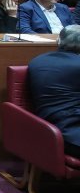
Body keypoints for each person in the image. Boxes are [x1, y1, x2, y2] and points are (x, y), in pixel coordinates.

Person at [26, 25, 80, 158]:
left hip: (49, 128)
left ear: (58, 41)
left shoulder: (38, 60)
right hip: (71, 133)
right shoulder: (77, 65)